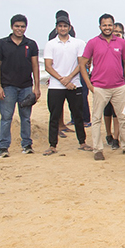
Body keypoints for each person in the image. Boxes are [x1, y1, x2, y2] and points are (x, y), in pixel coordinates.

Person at [79, 14, 125, 161]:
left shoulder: (120, 42)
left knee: (123, 118)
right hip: (100, 87)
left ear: (113, 26)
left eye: (109, 25)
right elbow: (82, 64)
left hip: (119, 86)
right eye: (104, 25)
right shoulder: (93, 42)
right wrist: (89, 84)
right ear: (100, 26)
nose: (107, 27)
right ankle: (98, 149)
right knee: (96, 118)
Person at [0, 14, 41, 157]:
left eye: (22, 26)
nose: (20, 29)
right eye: (17, 26)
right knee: (6, 117)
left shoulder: (31, 44)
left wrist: (37, 87)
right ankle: (3, 147)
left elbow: (35, 65)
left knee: (25, 117)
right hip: (7, 87)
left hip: (26, 86)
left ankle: (27, 145)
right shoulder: (2, 43)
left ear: (26, 27)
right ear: (11, 27)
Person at [42, 15, 88, 155]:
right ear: (57, 28)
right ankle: (52, 145)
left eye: (65, 26)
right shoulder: (50, 44)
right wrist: (62, 80)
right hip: (56, 86)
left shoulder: (78, 43)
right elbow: (48, 66)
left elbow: (81, 64)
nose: (62, 28)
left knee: (78, 115)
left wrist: (69, 79)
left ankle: (82, 142)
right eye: (60, 26)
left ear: (69, 27)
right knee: (54, 116)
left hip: (74, 85)